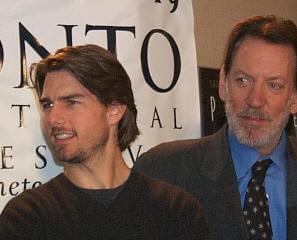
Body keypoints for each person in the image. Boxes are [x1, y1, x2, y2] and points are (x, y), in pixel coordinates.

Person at [0, 44, 213, 239]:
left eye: (71, 102)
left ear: (114, 110)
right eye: (47, 105)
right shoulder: (27, 218)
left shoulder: (176, 211)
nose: (53, 118)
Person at [134, 15, 297, 240]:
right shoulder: (161, 173)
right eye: (243, 80)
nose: (256, 100)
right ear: (223, 83)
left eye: (274, 85)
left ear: (294, 98)